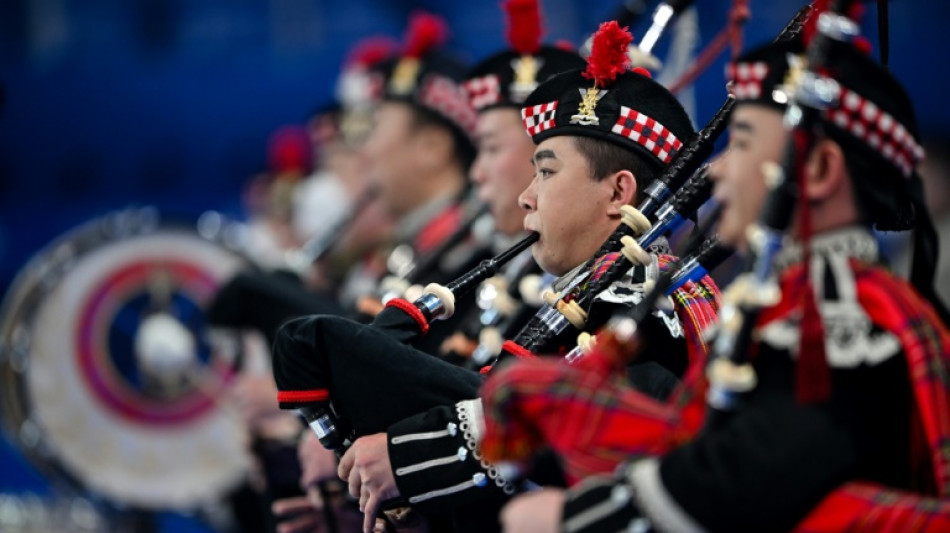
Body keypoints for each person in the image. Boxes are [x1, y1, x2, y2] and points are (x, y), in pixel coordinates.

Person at [486, 25, 950, 533]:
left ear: (818, 169)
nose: (720, 171)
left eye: (745, 143)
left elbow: (749, 482)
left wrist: (570, 518)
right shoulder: (795, 302)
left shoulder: (849, 316)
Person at [272, 19, 721, 533]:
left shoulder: (647, 314)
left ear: (619, 194)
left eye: (546, 172)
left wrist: (412, 460)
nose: (526, 196)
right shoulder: (601, 297)